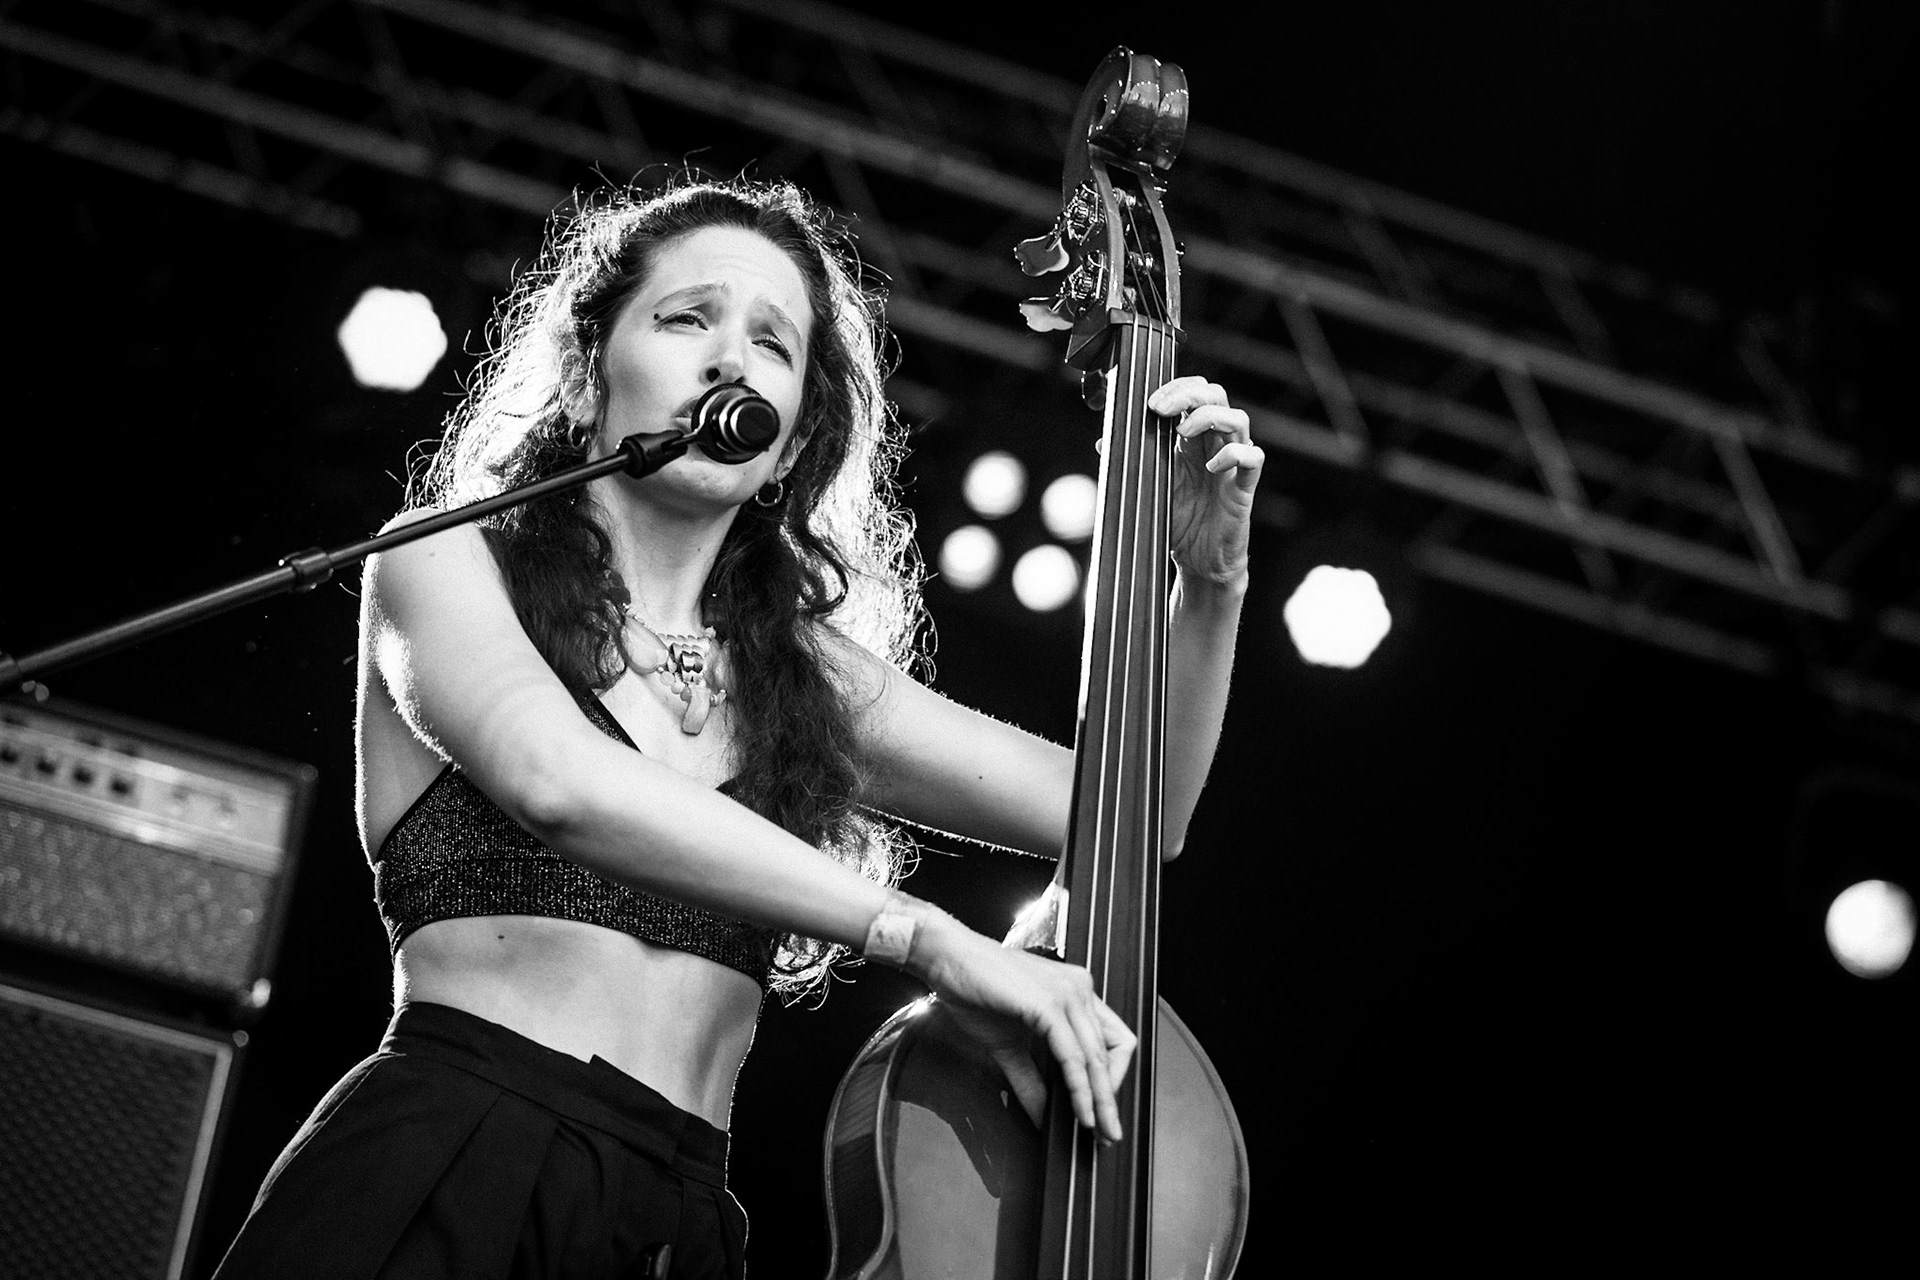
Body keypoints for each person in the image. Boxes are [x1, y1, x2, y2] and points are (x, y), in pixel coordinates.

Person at [211, 176, 1262, 1280]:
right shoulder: (444, 557)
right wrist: (923, 934)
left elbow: (1135, 823)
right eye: (687, 318)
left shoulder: (799, 677)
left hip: (678, 1224)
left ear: (796, 431)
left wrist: (1210, 589)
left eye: (775, 343)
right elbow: (556, 777)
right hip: (451, 1156)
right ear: (583, 370)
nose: (732, 359)